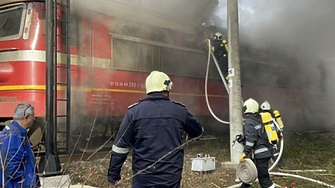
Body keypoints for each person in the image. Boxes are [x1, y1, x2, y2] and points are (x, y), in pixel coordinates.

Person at [107, 71, 204, 188]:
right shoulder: (179, 111)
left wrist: (114, 176)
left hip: (142, 181)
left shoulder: (134, 112)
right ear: (167, 89)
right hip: (170, 181)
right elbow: (198, 132)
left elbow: (120, 147)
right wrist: (190, 135)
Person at [239, 98, 275, 188]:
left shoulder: (249, 122)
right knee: (249, 178)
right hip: (263, 153)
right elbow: (258, 135)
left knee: (264, 181)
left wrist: (245, 153)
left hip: (260, 155)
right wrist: (243, 138)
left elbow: (251, 140)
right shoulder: (259, 119)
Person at [0, 103, 38, 188]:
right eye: (33, 116)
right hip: (17, 184)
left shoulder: (14, 130)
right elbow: (9, 163)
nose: (34, 119)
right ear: (26, 117)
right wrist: (21, 178)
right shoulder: (15, 134)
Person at [260, 100, 284, 168]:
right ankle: (277, 164)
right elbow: (280, 126)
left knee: (268, 149)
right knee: (275, 149)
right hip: (274, 134)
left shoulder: (263, 115)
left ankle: (274, 164)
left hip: (267, 135)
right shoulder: (273, 114)